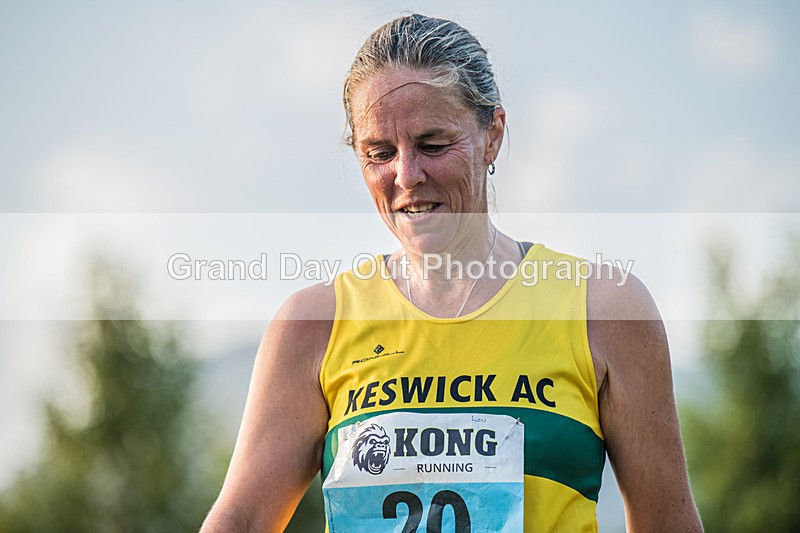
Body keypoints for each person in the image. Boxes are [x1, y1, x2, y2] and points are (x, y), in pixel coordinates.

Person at [201, 14, 703, 532]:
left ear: (492, 136)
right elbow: (240, 520)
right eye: (379, 153)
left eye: (433, 145)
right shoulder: (313, 325)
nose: (407, 175)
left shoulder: (603, 309)